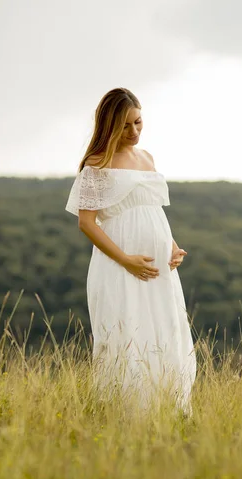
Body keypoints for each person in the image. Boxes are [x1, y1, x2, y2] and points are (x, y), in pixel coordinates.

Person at [65, 87, 196, 415]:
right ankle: (122, 418)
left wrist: (172, 247)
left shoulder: (147, 158)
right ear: (109, 125)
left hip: (157, 269)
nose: (134, 131)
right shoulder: (97, 164)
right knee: (127, 335)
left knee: (164, 330)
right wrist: (125, 259)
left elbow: (153, 211)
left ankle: (167, 413)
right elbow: (87, 222)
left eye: (138, 122)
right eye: (125, 126)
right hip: (118, 265)